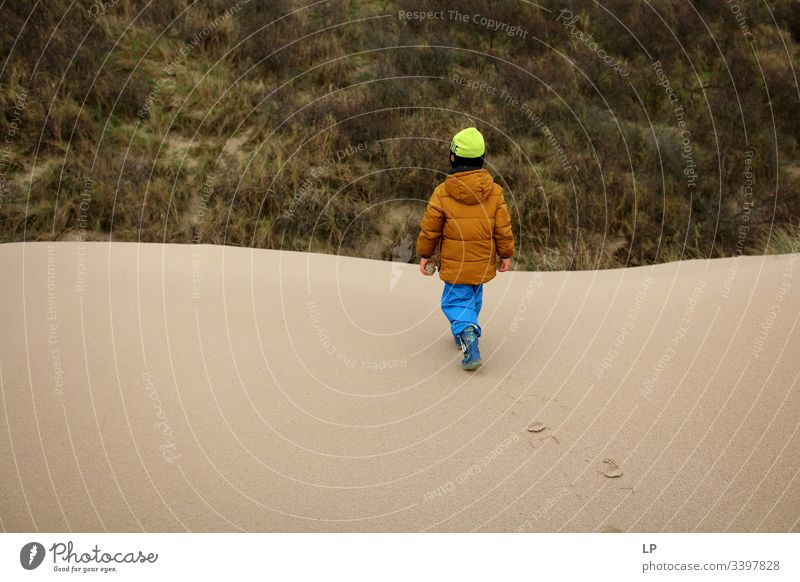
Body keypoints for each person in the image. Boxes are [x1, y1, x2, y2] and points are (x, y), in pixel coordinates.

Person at [416, 127, 515, 370]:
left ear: (452, 158)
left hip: (454, 261)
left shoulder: (442, 193)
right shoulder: (495, 192)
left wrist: (426, 254)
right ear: (482, 159)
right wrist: (506, 253)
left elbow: (431, 229)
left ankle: (468, 335)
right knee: (472, 298)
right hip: (481, 261)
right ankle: (464, 330)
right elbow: (503, 227)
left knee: (454, 302)